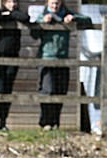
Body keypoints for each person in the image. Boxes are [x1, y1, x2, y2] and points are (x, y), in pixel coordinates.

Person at [30, 0, 89, 130]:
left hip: (63, 59)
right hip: (46, 58)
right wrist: (42, 22)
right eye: (52, 3)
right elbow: (33, 33)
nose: (55, 6)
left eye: (57, 3)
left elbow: (87, 21)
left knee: (60, 91)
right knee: (47, 91)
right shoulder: (43, 15)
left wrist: (74, 18)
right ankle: (45, 122)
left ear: (61, 4)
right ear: (47, 4)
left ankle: (56, 122)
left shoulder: (66, 15)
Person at [0, 0, 29, 131]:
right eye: (10, 1)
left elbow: (25, 18)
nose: (13, 4)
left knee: (8, 89)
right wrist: (9, 14)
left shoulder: (17, 13)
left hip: (13, 56)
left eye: (15, 1)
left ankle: (3, 121)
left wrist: (10, 14)